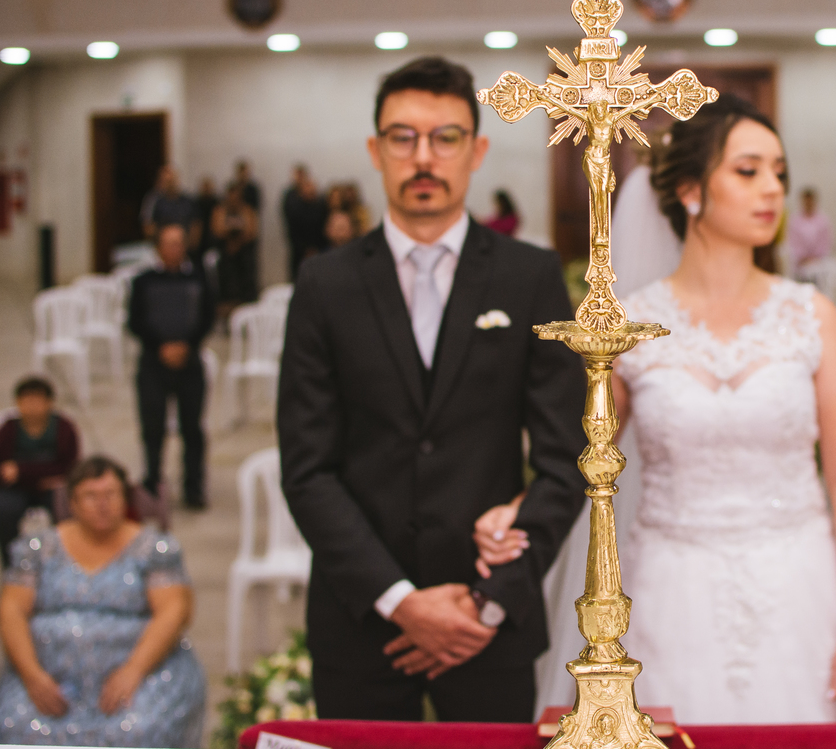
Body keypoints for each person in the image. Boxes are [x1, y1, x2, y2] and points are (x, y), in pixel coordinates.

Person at [482, 95, 836, 723]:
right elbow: (583, 460)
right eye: (748, 170)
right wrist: (517, 511)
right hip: (669, 595)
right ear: (689, 191)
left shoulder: (812, 318)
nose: (772, 189)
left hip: (801, 589)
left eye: (779, 173)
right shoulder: (628, 326)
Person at [277, 56, 587, 722]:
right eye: (403, 137)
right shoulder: (324, 286)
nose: (424, 157)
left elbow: (568, 459)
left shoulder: (527, 277)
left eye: (445, 138)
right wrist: (401, 601)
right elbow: (306, 469)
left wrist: (488, 601)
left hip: (489, 622)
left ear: (476, 151)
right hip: (362, 619)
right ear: (375, 150)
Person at [0, 456, 205, 747]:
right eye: (91, 496)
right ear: (72, 502)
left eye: (111, 494)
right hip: (50, 677)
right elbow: (11, 610)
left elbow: (174, 611)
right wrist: (32, 675)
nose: (102, 504)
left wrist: (134, 670)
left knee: (136, 730)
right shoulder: (38, 549)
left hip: (139, 676)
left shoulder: (153, 548)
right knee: (17, 725)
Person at [128, 223, 216, 509]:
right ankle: (152, 483)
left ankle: (194, 487)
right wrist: (161, 346)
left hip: (189, 361)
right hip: (154, 362)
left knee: (192, 428)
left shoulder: (199, 279)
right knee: (153, 427)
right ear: (158, 248)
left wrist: (185, 345)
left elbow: (207, 317)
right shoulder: (143, 281)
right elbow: (135, 321)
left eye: (179, 243)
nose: (174, 249)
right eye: (168, 243)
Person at [0, 377, 80, 566]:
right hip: (16, 489)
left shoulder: (64, 428)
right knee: (3, 509)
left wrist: (21, 470)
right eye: (26, 401)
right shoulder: (7, 429)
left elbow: (70, 466)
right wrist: (40, 476)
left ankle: (68, 558)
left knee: (67, 505)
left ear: (49, 403)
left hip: (51, 487)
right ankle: (11, 563)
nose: (32, 407)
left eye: (37, 401)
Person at [212, 182, 260, 312]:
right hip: (226, 256)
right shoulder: (220, 210)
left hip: (244, 256)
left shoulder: (247, 210)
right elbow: (217, 230)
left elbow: (251, 231)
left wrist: (237, 239)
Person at [281, 165, 329, 281]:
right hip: (299, 249)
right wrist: (304, 249)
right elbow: (293, 228)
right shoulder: (293, 203)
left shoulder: (321, 205)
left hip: (319, 248)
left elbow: (324, 227)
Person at [139, 166, 196, 239]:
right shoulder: (153, 199)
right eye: (166, 181)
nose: (170, 185)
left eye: (172, 181)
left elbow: (194, 224)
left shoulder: (186, 200)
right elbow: (147, 225)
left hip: (183, 242)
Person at [787, 187, 833, 274]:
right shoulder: (795, 220)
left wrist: (815, 258)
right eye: (806, 201)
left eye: (810, 201)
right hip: (800, 262)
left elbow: (825, 242)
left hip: (819, 261)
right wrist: (802, 257)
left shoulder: (823, 220)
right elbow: (793, 242)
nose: (808, 204)